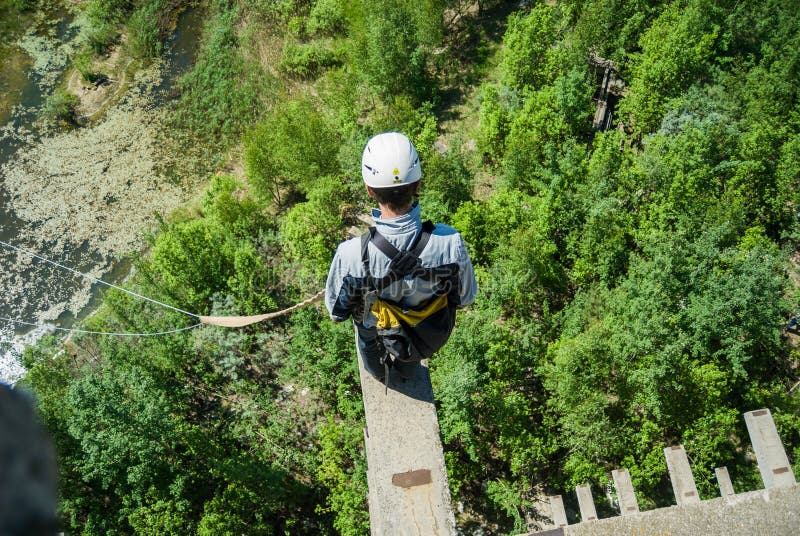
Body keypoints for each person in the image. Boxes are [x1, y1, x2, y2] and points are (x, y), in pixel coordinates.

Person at [325, 132, 477, 382]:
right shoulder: (450, 242)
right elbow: (465, 297)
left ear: (369, 190)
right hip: (426, 328)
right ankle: (406, 371)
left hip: (377, 325)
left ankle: (379, 374)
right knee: (413, 345)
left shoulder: (351, 254)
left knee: (366, 332)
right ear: (418, 184)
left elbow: (336, 311)